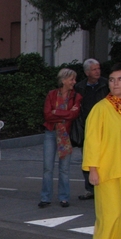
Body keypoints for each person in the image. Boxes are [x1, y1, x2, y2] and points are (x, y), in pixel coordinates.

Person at [82, 63, 121, 239]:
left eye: (120, 79)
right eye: (112, 80)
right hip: (107, 170)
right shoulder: (101, 108)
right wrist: (93, 169)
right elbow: (92, 141)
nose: (115, 84)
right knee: (108, 215)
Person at [38, 68, 82, 209]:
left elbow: (74, 115)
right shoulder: (51, 94)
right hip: (51, 132)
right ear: (63, 80)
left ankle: (64, 197)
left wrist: (57, 112)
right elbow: (47, 115)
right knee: (47, 167)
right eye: (71, 79)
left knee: (64, 168)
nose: (74, 82)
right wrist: (65, 113)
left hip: (65, 134)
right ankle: (45, 198)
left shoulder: (76, 96)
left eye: (74, 79)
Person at [75, 58, 110, 201]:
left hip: (105, 127)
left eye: (98, 68)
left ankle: (104, 186)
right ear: (87, 72)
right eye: (94, 69)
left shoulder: (106, 84)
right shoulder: (80, 87)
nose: (97, 71)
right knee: (88, 158)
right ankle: (89, 189)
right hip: (87, 127)